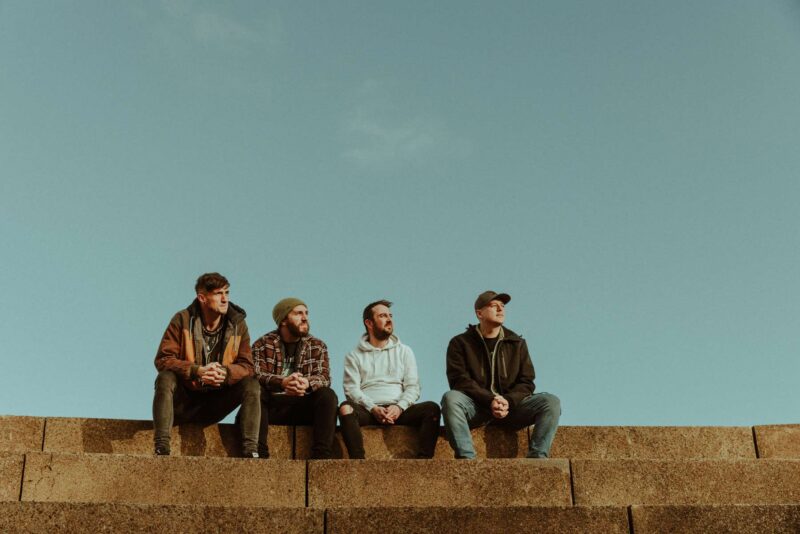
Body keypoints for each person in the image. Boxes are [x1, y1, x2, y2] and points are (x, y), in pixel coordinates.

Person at [441, 290, 561, 459]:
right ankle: (467, 459)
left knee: (551, 402)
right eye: (494, 306)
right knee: (451, 398)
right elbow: (459, 380)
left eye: (502, 306)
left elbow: (527, 381)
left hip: (511, 408)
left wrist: (508, 400)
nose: (500, 310)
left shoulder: (516, 343)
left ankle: (537, 459)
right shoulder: (460, 343)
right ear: (479, 313)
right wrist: (490, 399)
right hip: (477, 407)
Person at [153, 272, 260, 457]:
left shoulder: (238, 324)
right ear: (202, 298)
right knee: (165, 378)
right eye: (219, 294)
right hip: (185, 400)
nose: (225, 299)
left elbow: (248, 366)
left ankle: (250, 450)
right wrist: (197, 371)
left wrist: (226, 373)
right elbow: (163, 359)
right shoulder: (182, 319)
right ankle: (162, 445)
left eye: (227, 292)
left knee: (251, 384)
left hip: (217, 400)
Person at [338, 300, 441, 459]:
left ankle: (424, 461)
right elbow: (351, 390)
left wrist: (399, 407)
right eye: (383, 316)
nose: (389, 319)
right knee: (345, 408)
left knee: (432, 409)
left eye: (390, 315)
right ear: (369, 323)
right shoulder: (354, 355)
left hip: (399, 409)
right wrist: (373, 408)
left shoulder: (405, 351)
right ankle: (358, 462)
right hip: (369, 410)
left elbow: (413, 387)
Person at [251, 298, 338, 459]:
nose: (305, 317)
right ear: (283, 320)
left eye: (306, 313)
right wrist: (283, 382)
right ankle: (260, 455)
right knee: (256, 391)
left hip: (303, 405)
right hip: (273, 408)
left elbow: (324, 377)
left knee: (327, 395)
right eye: (298, 313)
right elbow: (256, 374)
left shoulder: (317, 345)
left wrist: (306, 383)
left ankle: (321, 457)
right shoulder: (263, 344)